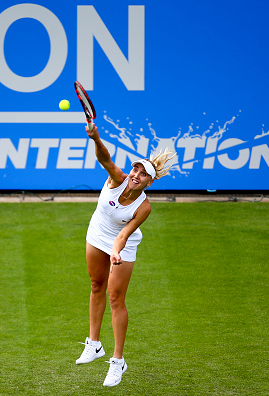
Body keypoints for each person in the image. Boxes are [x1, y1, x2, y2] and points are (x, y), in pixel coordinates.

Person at [76, 124, 176, 387]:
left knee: (115, 298)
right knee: (96, 285)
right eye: (136, 169)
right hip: (97, 233)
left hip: (123, 245)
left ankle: (118, 361)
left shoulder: (144, 207)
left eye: (143, 175)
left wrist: (116, 252)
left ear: (150, 182)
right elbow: (104, 158)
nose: (136, 175)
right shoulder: (116, 179)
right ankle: (94, 344)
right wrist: (96, 137)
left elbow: (124, 235)